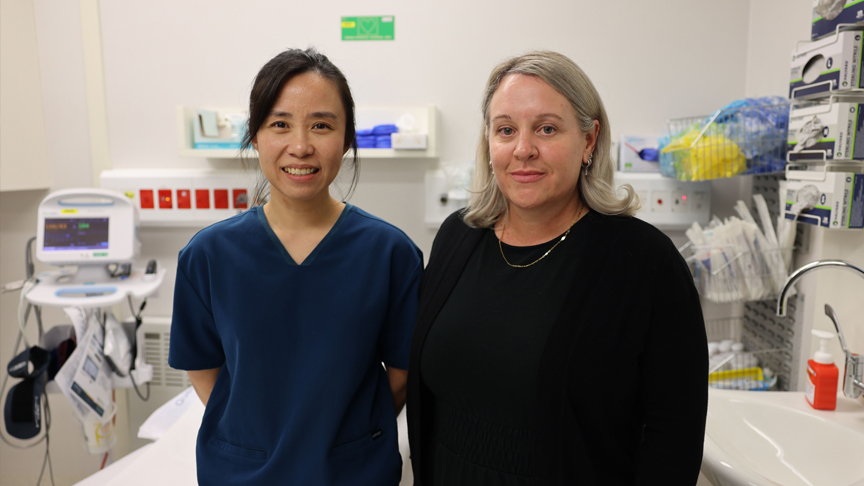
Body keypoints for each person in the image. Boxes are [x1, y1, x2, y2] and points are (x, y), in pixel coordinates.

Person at [407, 51, 708, 485]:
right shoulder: (459, 237)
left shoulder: (645, 264)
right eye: (505, 130)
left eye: (546, 129)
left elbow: (673, 439)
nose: (523, 149)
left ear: (588, 141)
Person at [168, 48, 423, 486]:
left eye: (321, 125)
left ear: (346, 138)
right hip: (240, 472)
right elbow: (202, 367)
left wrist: (350, 438)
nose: (301, 146)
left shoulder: (390, 254)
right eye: (280, 124)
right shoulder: (209, 255)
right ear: (255, 135)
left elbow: (402, 376)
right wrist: (251, 435)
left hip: (353, 472)